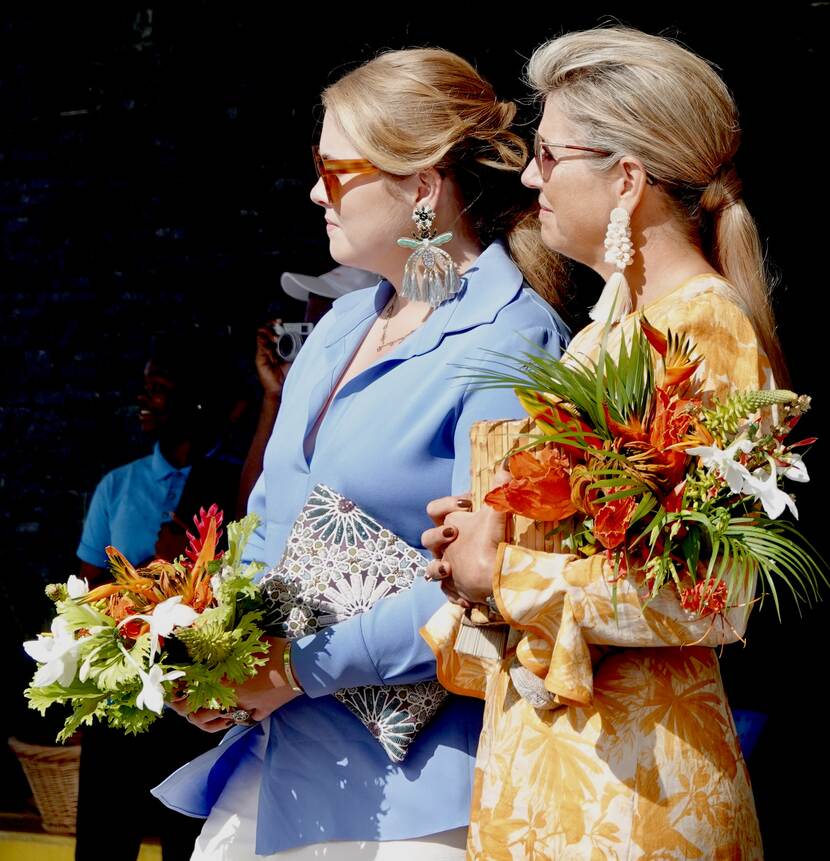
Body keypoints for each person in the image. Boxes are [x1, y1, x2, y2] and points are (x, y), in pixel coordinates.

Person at [154, 47, 569, 858]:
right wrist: (218, 658)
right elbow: (270, 525)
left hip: (416, 794)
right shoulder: (340, 327)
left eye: (333, 168)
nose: (316, 191)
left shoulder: (513, 339)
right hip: (273, 764)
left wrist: (292, 670)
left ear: (421, 186)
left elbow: (494, 586)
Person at [421, 26, 781, 860]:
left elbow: (712, 595)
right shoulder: (610, 333)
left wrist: (502, 569)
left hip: (633, 803)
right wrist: (478, 551)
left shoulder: (701, 328)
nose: (528, 175)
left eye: (549, 154)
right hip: (567, 787)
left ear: (626, 179)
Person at [75, 334, 245, 861]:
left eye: (159, 389)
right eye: (144, 388)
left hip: (195, 699)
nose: (144, 400)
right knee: (105, 835)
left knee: (186, 840)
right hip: (125, 691)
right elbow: (83, 594)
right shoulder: (118, 485)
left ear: (195, 401)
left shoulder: (231, 482)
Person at [236, 265, 377, 515]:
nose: (314, 325)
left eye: (331, 311)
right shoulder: (301, 395)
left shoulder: (374, 397)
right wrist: (275, 397)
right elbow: (249, 516)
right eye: (308, 323)